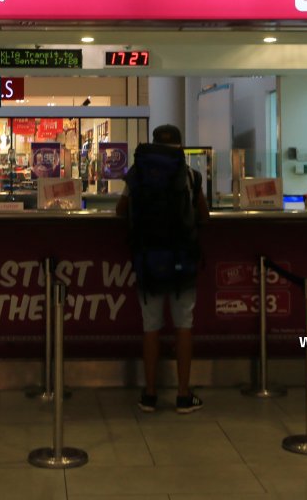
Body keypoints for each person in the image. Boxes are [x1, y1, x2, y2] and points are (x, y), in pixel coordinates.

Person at [115, 124, 210, 414]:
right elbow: (204, 216)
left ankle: (150, 394)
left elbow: (121, 210)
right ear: (180, 147)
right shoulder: (191, 176)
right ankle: (183, 395)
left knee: (151, 327)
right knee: (183, 326)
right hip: (182, 260)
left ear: (153, 144)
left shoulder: (138, 173)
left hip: (148, 259)